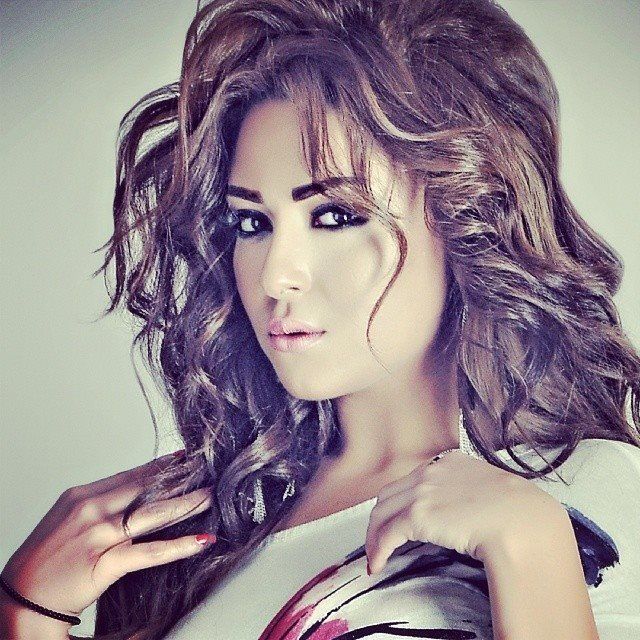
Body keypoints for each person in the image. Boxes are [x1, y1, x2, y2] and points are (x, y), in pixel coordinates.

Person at [1, 0, 639, 638]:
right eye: (251, 223)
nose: (274, 276)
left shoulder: (591, 489)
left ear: (468, 218)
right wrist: (29, 612)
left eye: (335, 216)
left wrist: (528, 548)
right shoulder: (207, 526)